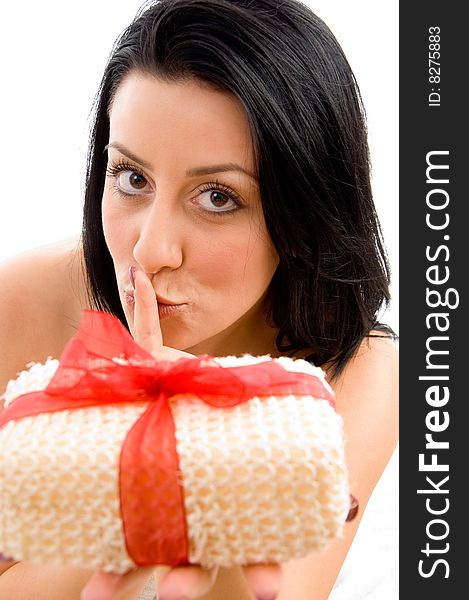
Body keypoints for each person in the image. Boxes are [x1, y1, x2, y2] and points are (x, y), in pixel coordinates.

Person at [0, 0, 398, 598]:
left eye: (217, 197)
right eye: (133, 178)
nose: (151, 250)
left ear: (303, 213)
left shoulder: (360, 369)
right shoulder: (31, 296)